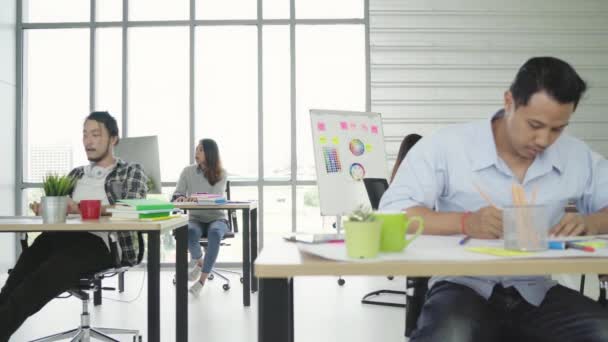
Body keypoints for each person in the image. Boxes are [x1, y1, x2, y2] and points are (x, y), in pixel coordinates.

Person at [380, 57, 608, 342]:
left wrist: (592, 221)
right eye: (534, 124)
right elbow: (391, 213)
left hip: (536, 289)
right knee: (449, 335)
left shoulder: (576, 156)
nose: (544, 140)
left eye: (557, 129)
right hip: (462, 285)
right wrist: (465, 222)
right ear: (509, 101)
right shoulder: (448, 146)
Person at [0, 111, 148, 341]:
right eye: (85, 134)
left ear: (114, 139)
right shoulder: (77, 174)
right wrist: (49, 209)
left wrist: (79, 208)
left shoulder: (131, 171)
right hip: (62, 238)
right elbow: (63, 210)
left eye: (96, 134)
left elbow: (132, 208)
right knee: (18, 278)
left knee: (40, 281)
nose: (88, 141)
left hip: (102, 243)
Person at [172, 138, 228, 297]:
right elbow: (178, 192)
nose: (196, 152)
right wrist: (180, 197)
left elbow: (214, 196)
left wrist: (193, 198)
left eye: (201, 150)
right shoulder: (187, 171)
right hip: (195, 218)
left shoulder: (221, 173)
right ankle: (200, 262)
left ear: (210, 153)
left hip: (217, 217)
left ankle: (202, 279)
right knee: (188, 231)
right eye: (196, 149)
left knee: (215, 233)